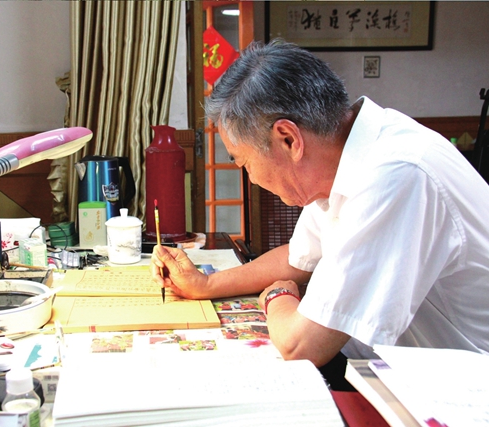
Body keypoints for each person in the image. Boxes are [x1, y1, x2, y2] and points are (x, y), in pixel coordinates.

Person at [150, 39, 489, 386]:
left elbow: (301, 346)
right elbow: (298, 259)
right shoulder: (342, 154)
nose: (251, 178)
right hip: (394, 370)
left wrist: (278, 297)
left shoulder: (395, 174)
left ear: (288, 139)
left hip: (464, 389)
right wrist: (205, 284)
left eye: (244, 162)